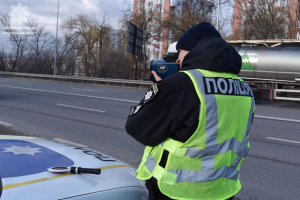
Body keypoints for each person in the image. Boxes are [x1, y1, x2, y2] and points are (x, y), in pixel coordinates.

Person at [125, 22, 255, 200]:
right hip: (221, 190)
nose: (177, 59)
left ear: (197, 49)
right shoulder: (245, 89)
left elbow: (138, 128)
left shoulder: (179, 85)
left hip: (177, 191)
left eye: (181, 52)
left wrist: (162, 90)